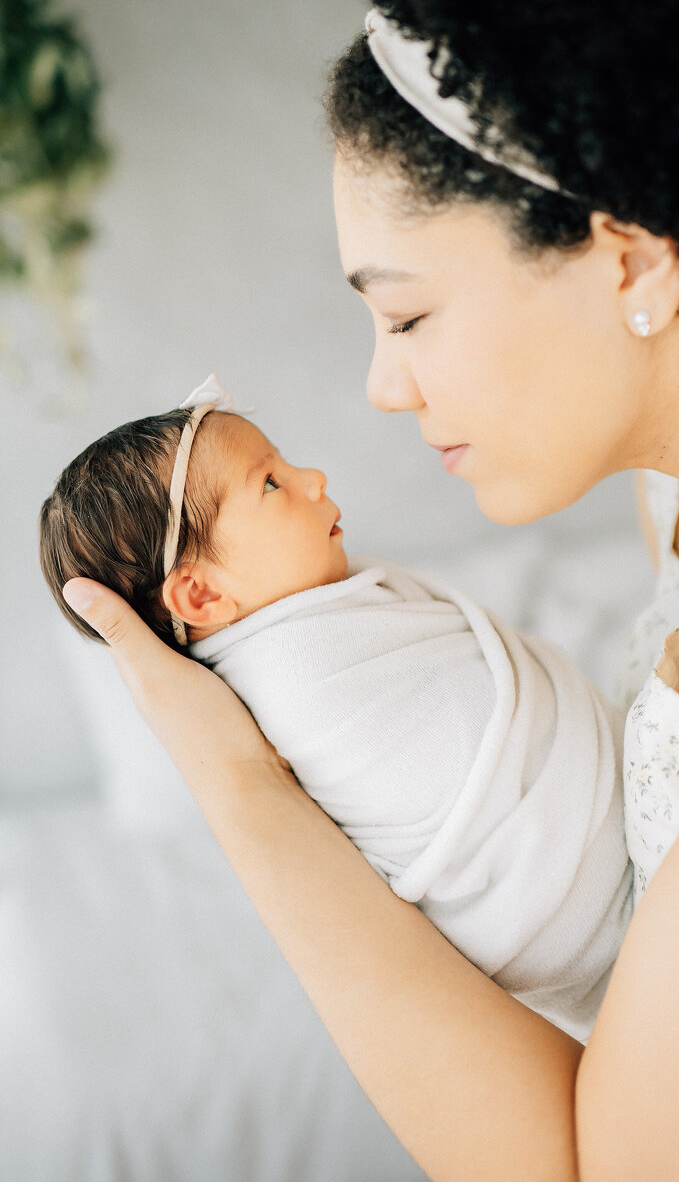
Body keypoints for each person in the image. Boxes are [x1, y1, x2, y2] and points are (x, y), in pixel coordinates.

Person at [60, 0, 679, 1177]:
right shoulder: (677, 482)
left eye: (404, 317)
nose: (382, 388)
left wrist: (240, 788)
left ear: (630, 258)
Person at [39, 377, 631, 1041]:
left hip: (604, 816)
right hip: (568, 907)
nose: (313, 478)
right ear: (202, 598)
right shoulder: (295, 686)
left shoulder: (330, 605)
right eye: (270, 484)